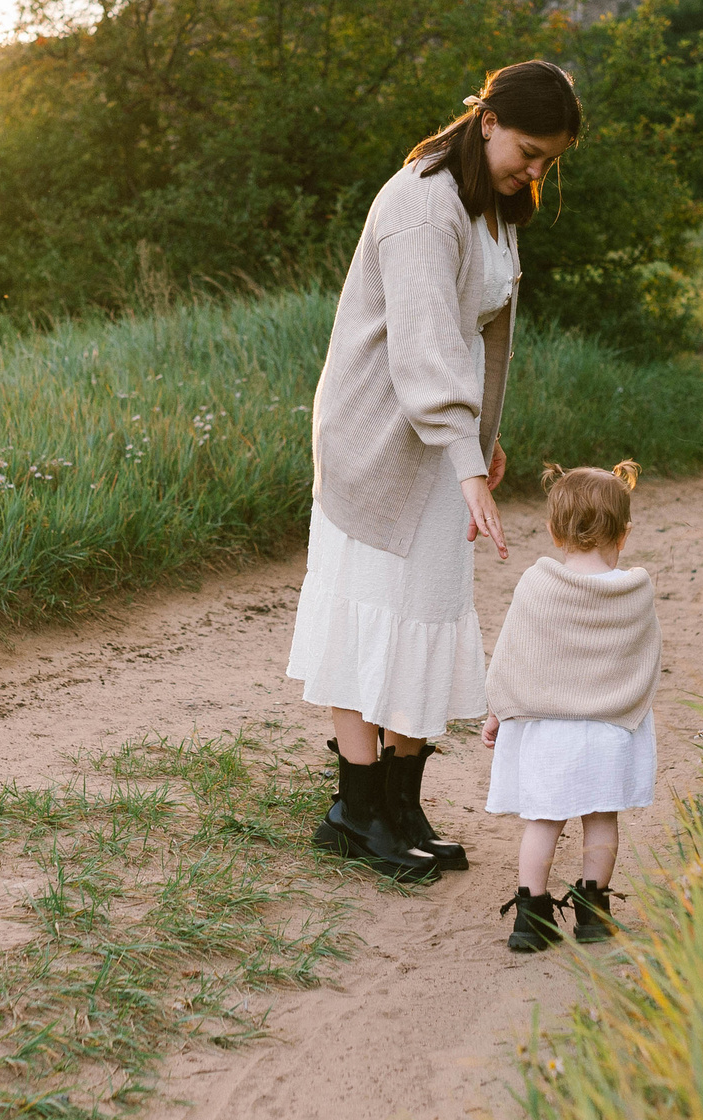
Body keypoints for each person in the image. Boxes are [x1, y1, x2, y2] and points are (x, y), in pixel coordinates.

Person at [285, 59, 583, 881]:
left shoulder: (494, 208)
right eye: (529, 150)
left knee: (430, 612)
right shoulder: (423, 204)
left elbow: (483, 338)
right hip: (378, 436)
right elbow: (422, 351)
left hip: (442, 444)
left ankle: (401, 805)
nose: (536, 170)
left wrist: (480, 442)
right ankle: (355, 808)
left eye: (549, 160)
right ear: (487, 122)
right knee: (366, 613)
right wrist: (466, 459)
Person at [480, 460, 659, 950]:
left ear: (553, 530)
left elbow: (513, 653)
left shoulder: (538, 585)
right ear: (624, 533)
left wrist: (499, 708)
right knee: (601, 820)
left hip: (548, 731)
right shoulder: (635, 591)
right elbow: (645, 659)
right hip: (608, 729)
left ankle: (531, 918)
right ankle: (594, 912)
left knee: (543, 822)